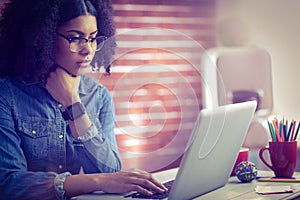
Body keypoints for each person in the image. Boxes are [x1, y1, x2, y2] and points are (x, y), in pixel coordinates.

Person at [0, 0, 167, 199]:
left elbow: (110, 170)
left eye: (93, 38)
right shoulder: (7, 95)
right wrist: (97, 181)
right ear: (42, 37)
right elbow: (8, 184)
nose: (88, 50)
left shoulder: (99, 96)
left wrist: (72, 104)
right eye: (75, 38)